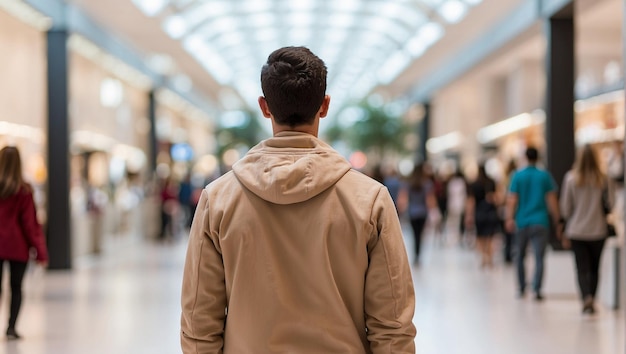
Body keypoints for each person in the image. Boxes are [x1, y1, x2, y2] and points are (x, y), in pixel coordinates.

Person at [180, 47, 416, 353]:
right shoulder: (370, 200)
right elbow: (393, 326)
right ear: (325, 105)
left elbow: (199, 324)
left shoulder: (218, 200)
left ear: (265, 107)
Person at [0, 146, 48, 340]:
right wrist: (40, 252)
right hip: (17, 247)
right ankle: (11, 328)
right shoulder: (24, 190)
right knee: (16, 287)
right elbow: (30, 224)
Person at [560, 144, 612, 314]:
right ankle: (593, 298)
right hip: (598, 229)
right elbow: (610, 204)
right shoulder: (603, 178)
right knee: (595, 267)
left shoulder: (571, 178)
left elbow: (566, 208)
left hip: (577, 230)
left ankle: (585, 297)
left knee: (581, 267)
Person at [505, 147, 562, 301]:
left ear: (525, 157)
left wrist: (509, 218)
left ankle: (522, 287)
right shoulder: (544, 176)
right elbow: (552, 199)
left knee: (520, 256)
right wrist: (558, 219)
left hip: (522, 220)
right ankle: (537, 289)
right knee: (539, 257)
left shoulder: (517, 176)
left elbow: (512, 199)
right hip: (540, 220)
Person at [465, 164, 500, 267]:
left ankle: (483, 258)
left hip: (479, 212)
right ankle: (490, 258)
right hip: (490, 212)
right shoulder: (491, 182)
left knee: (480, 236)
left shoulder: (474, 184)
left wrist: (469, 215)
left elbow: (471, 201)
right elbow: (496, 197)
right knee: (490, 236)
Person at [407, 163, 438, 266]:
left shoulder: (409, 183)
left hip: (412, 212)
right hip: (422, 213)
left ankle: (415, 255)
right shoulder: (427, 183)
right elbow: (430, 200)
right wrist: (433, 210)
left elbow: (404, 199)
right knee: (420, 235)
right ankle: (418, 255)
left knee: (414, 235)